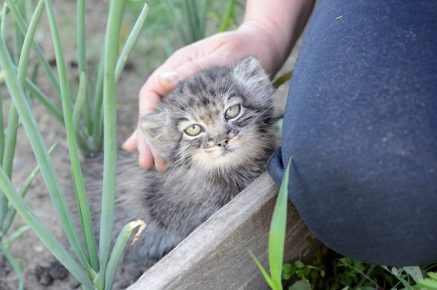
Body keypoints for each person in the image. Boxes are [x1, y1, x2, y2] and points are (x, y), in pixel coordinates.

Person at [123, 0, 437, 266]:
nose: (220, 139)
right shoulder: (183, 189)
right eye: (194, 131)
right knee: (353, 180)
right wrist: (265, 29)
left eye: (232, 112)